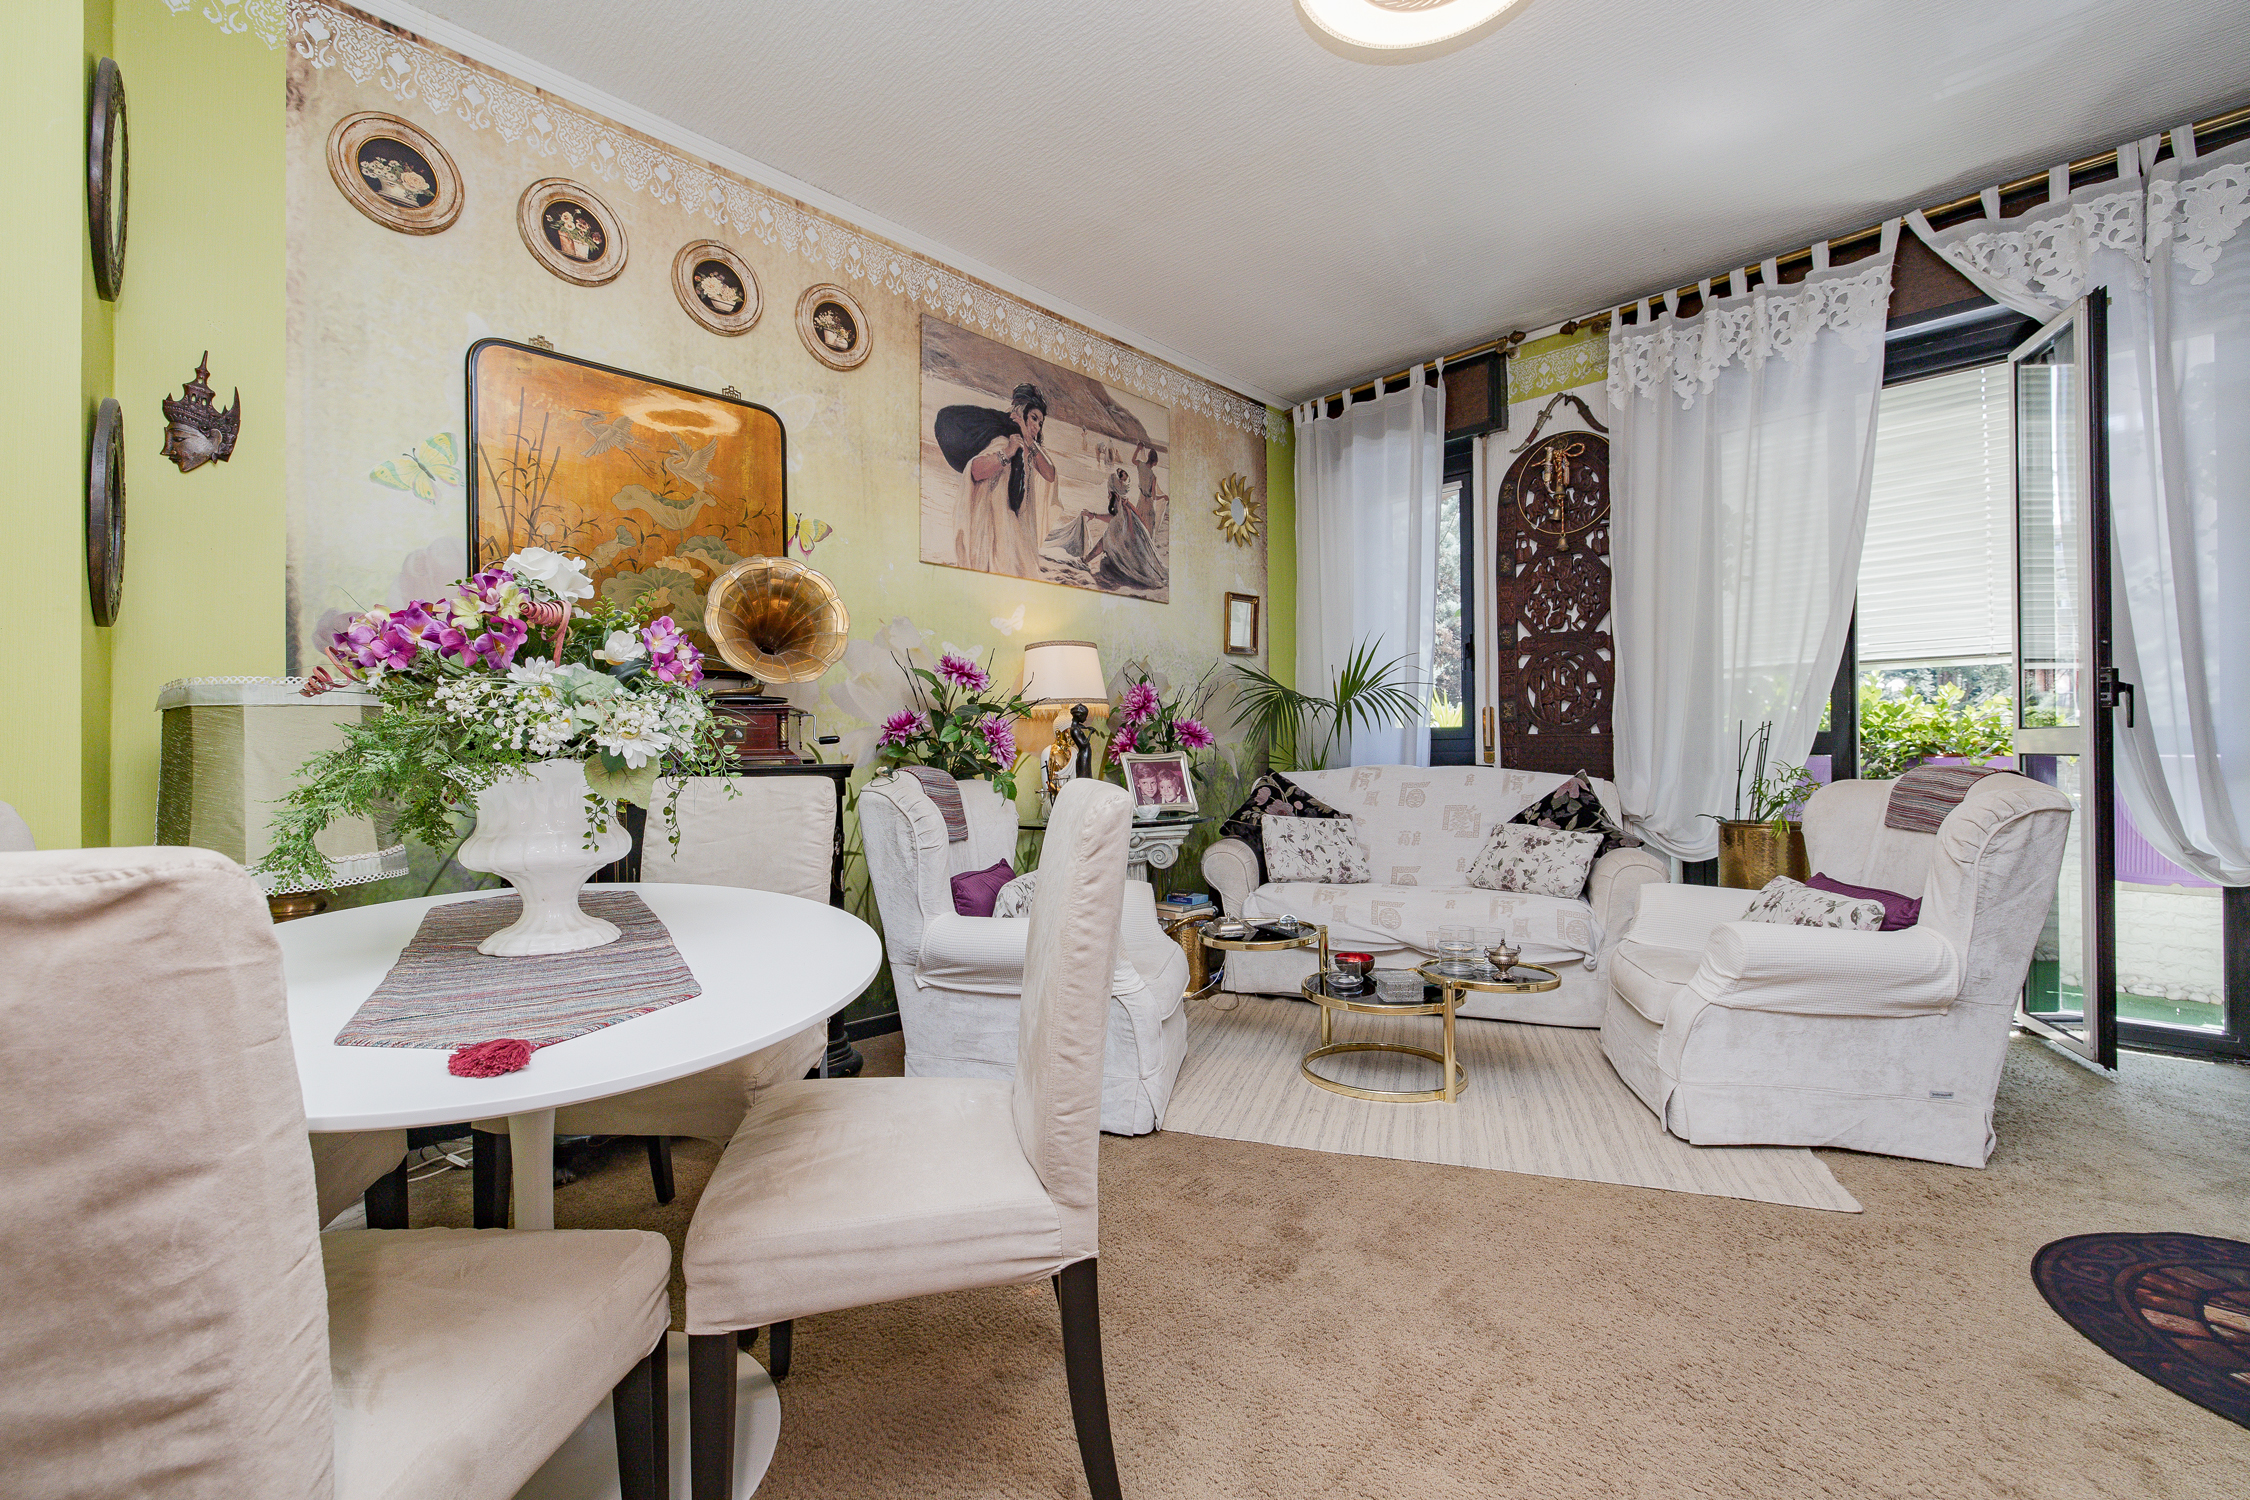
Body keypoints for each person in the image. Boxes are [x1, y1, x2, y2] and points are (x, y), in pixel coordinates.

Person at [937, 383, 1054, 576]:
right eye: (1034, 418)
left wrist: (1029, 440)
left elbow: (1050, 474)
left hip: (1018, 526)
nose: (1037, 426)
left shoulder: (1030, 449)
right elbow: (975, 470)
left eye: (1040, 423)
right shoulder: (1003, 440)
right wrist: (1007, 453)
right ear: (1021, 413)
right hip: (994, 526)